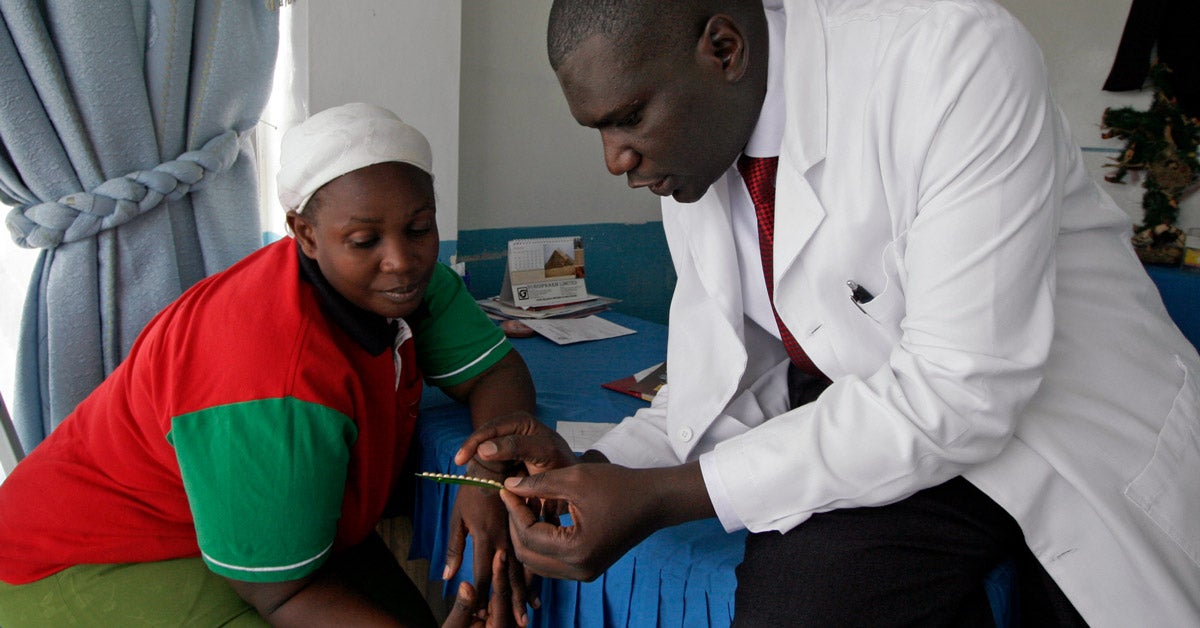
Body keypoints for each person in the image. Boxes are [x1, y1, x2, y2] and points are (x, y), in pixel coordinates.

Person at [456, 1, 1200, 625]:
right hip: (898, 434)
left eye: (628, 120)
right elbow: (726, 378)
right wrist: (593, 471)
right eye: (600, 131)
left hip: (1063, 432)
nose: (616, 159)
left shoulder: (952, 60)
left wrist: (660, 498)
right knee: (802, 606)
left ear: (723, 49)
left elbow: (963, 388)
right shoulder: (696, 153)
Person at [0, 103, 531, 627]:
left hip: (260, 532)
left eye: (419, 228)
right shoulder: (270, 378)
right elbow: (281, 593)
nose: (401, 259)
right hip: (87, 557)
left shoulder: (405, 285)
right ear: (305, 235)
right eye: (365, 241)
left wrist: (485, 471)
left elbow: (495, 372)